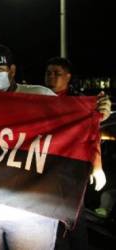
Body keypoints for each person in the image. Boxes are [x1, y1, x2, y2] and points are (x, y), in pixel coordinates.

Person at [0, 45, 112, 250]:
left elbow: (75, 125)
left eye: (0, 70)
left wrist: (97, 113)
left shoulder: (39, 96)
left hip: (30, 217)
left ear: (12, 71)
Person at [44, 57, 112, 250]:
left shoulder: (78, 102)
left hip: (71, 172)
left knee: (75, 221)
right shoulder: (38, 99)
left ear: (68, 76)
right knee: (54, 225)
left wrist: (97, 167)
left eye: (57, 73)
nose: (51, 77)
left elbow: (92, 135)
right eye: (48, 73)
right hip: (45, 171)